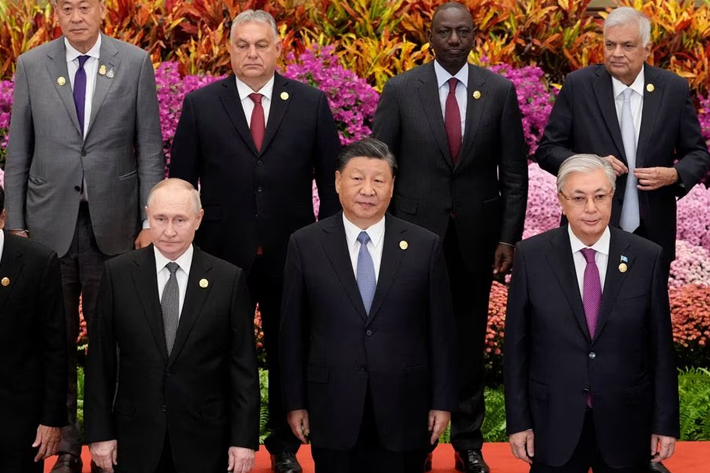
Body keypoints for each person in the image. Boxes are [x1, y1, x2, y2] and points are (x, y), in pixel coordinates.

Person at [169, 9, 341, 473]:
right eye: (242, 45)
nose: (251, 53)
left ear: (278, 49)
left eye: (260, 45)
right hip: (221, 255)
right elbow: (182, 184)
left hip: (293, 253)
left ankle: (283, 445)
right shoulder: (202, 104)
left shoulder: (310, 103)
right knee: (224, 350)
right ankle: (229, 439)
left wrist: (326, 248)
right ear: (228, 50)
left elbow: (331, 184)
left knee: (290, 349)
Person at [3, 1, 165, 471]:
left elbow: (150, 147)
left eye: (85, 6)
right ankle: (67, 445)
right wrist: (16, 226)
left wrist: (147, 223)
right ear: (57, 13)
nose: (76, 16)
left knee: (111, 338)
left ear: (102, 11)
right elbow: (18, 150)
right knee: (54, 339)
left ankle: (105, 442)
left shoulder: (134, 62)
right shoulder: (33, 64)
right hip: (45, 227)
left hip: (113, 226)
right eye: (67, 7)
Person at [371, 2, 527, 471]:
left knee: (467, 343)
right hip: (410, 241)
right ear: (430, 35)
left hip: (477, 244)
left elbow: (514, 175)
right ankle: (414, 440)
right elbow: (381, 166)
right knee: (412, 341)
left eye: (463, 32)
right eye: (445, 32)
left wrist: (508, 238)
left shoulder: (498, 91)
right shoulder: (401, 90)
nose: (454, 40)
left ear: (475, 35)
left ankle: (467, 441)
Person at [280, 138, 456, 473]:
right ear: (336, 182)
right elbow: (292, 332)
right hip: (332, 405)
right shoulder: (306, 244)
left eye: (379, 180)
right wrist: (295, 402)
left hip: (405, 405)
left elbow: (441, 332)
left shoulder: (424, 245)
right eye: (357, 178)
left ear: (392, 186)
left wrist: (442, 401)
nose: (368, 189)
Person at [504, 154, 679, 473]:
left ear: (612, 195)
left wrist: (665, 422)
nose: (591, 208)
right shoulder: (531, 256)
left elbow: (660, 349)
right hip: (553, 424)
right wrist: (518, 422)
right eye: (579, 197)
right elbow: (517, 348)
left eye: (600, 196)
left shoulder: (646, 257)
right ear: (561, 200)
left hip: (626, 423)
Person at [84, 178, 260, 473]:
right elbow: (100, 361)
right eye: (160, 219)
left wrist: (244, 440)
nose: (169, 231)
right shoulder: (118, 274)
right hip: (135, 438)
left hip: (206, 440)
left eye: (180, 219)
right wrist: (99, 433)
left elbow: (242, 366)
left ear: (198, 219)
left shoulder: (227, 279)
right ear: (147, 215)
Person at [535, 6, 710, 283]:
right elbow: (547, 150)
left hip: (652, 232)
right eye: (610, 44)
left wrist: (675, 174)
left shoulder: (672, 89)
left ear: (647, 48)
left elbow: (697, 153)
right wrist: (591, 165)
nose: (616, 53)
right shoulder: (579, 85)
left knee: (648, 320)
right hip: (589, 229)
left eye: (627, 45)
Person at [0, 185, 67, 473]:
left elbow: (54, 347)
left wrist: (51, 419)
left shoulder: (38, 261)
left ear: (3, 218)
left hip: (17, 424)